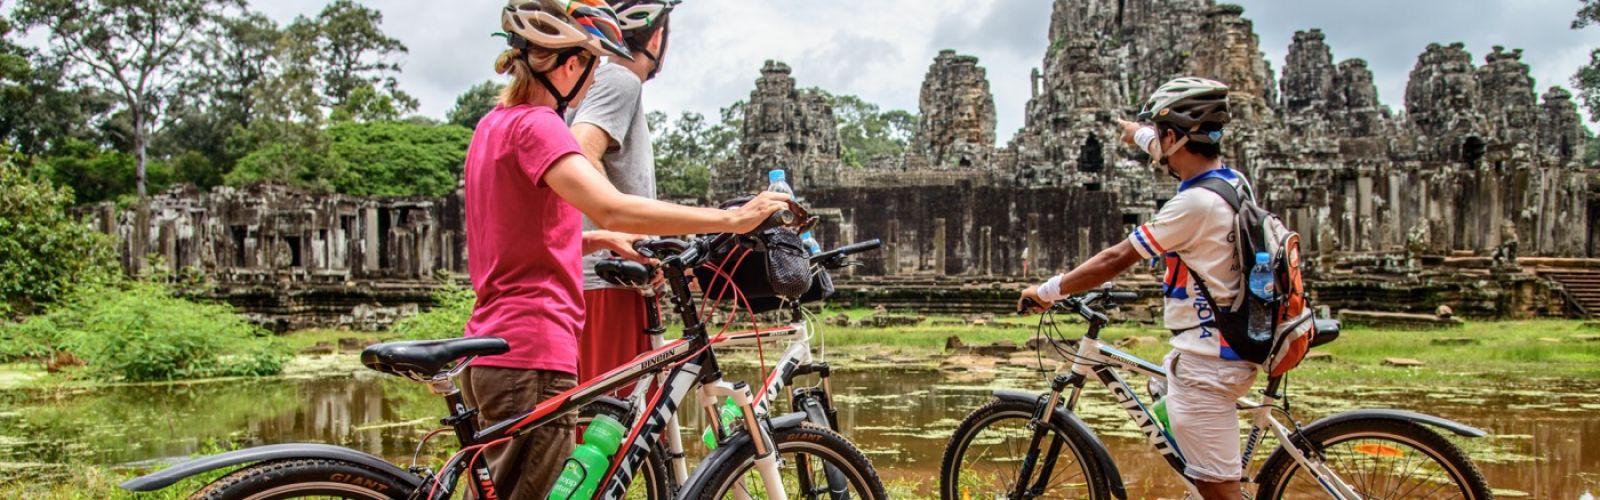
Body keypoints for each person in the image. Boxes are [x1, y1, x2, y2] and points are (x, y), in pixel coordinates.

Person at [460, 1, 790, 498]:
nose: (593, 83)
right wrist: (731, 219)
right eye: (593, 67)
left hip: (492, 341)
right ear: (570, 64)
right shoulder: (538, 125)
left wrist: (593, 238)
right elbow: (611, 206)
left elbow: (510, 235)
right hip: (532, 349)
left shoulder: (493, 127)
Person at [1017, 77, 1252, 500]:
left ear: (1177, 138)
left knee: (1219, 494)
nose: (1157, 146)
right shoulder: (1232, 182)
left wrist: (1048, 290)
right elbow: (1170, 146)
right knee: (1163, 392)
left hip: (1210, 362)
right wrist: (1138, 133)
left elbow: (1114, 260)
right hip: (1221, 349)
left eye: (1162, 136)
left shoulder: (1193, 205)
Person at [566, 0, 682, 386]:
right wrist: (619, 235)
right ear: (658, 35)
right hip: (609, 282)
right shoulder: (618, 79)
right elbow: (583, 151)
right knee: (616, 425)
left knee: (619, 425)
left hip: (606, 277)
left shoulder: (590, 84)